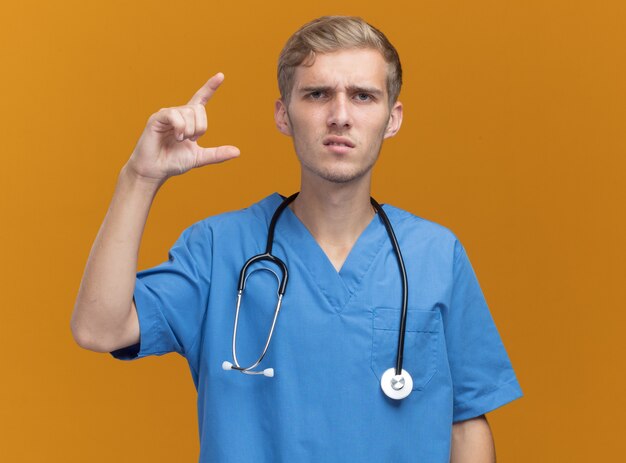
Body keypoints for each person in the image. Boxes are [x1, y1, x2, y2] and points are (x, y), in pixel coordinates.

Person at [71, 15, 522, 462]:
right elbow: (98, 328)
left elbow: (466, 423)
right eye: (317, 94)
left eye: (363, 96)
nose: (340, 116)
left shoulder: (436, 255)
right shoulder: (218, 248)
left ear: (392, 118)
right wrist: (140, 177)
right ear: (283, 115)